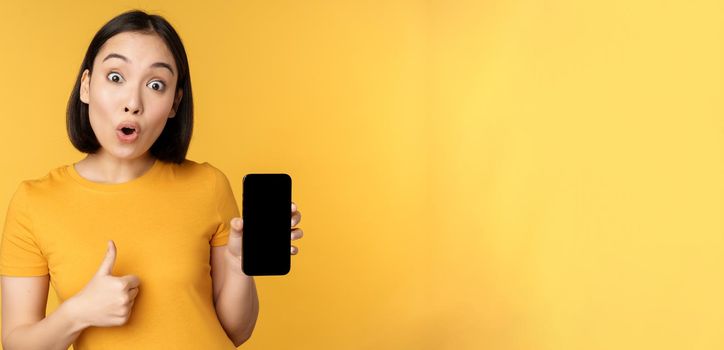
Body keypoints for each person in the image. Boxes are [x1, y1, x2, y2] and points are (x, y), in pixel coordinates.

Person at [0, 10, 303, 349]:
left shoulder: (208, 185)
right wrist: (78, 314)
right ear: (86, 86)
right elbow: (16, 343)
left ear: (174, 103)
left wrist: (238, 264)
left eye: (155, 85)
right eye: (116, 77)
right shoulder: (35, 202)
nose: (133, 103)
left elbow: (236, 331)